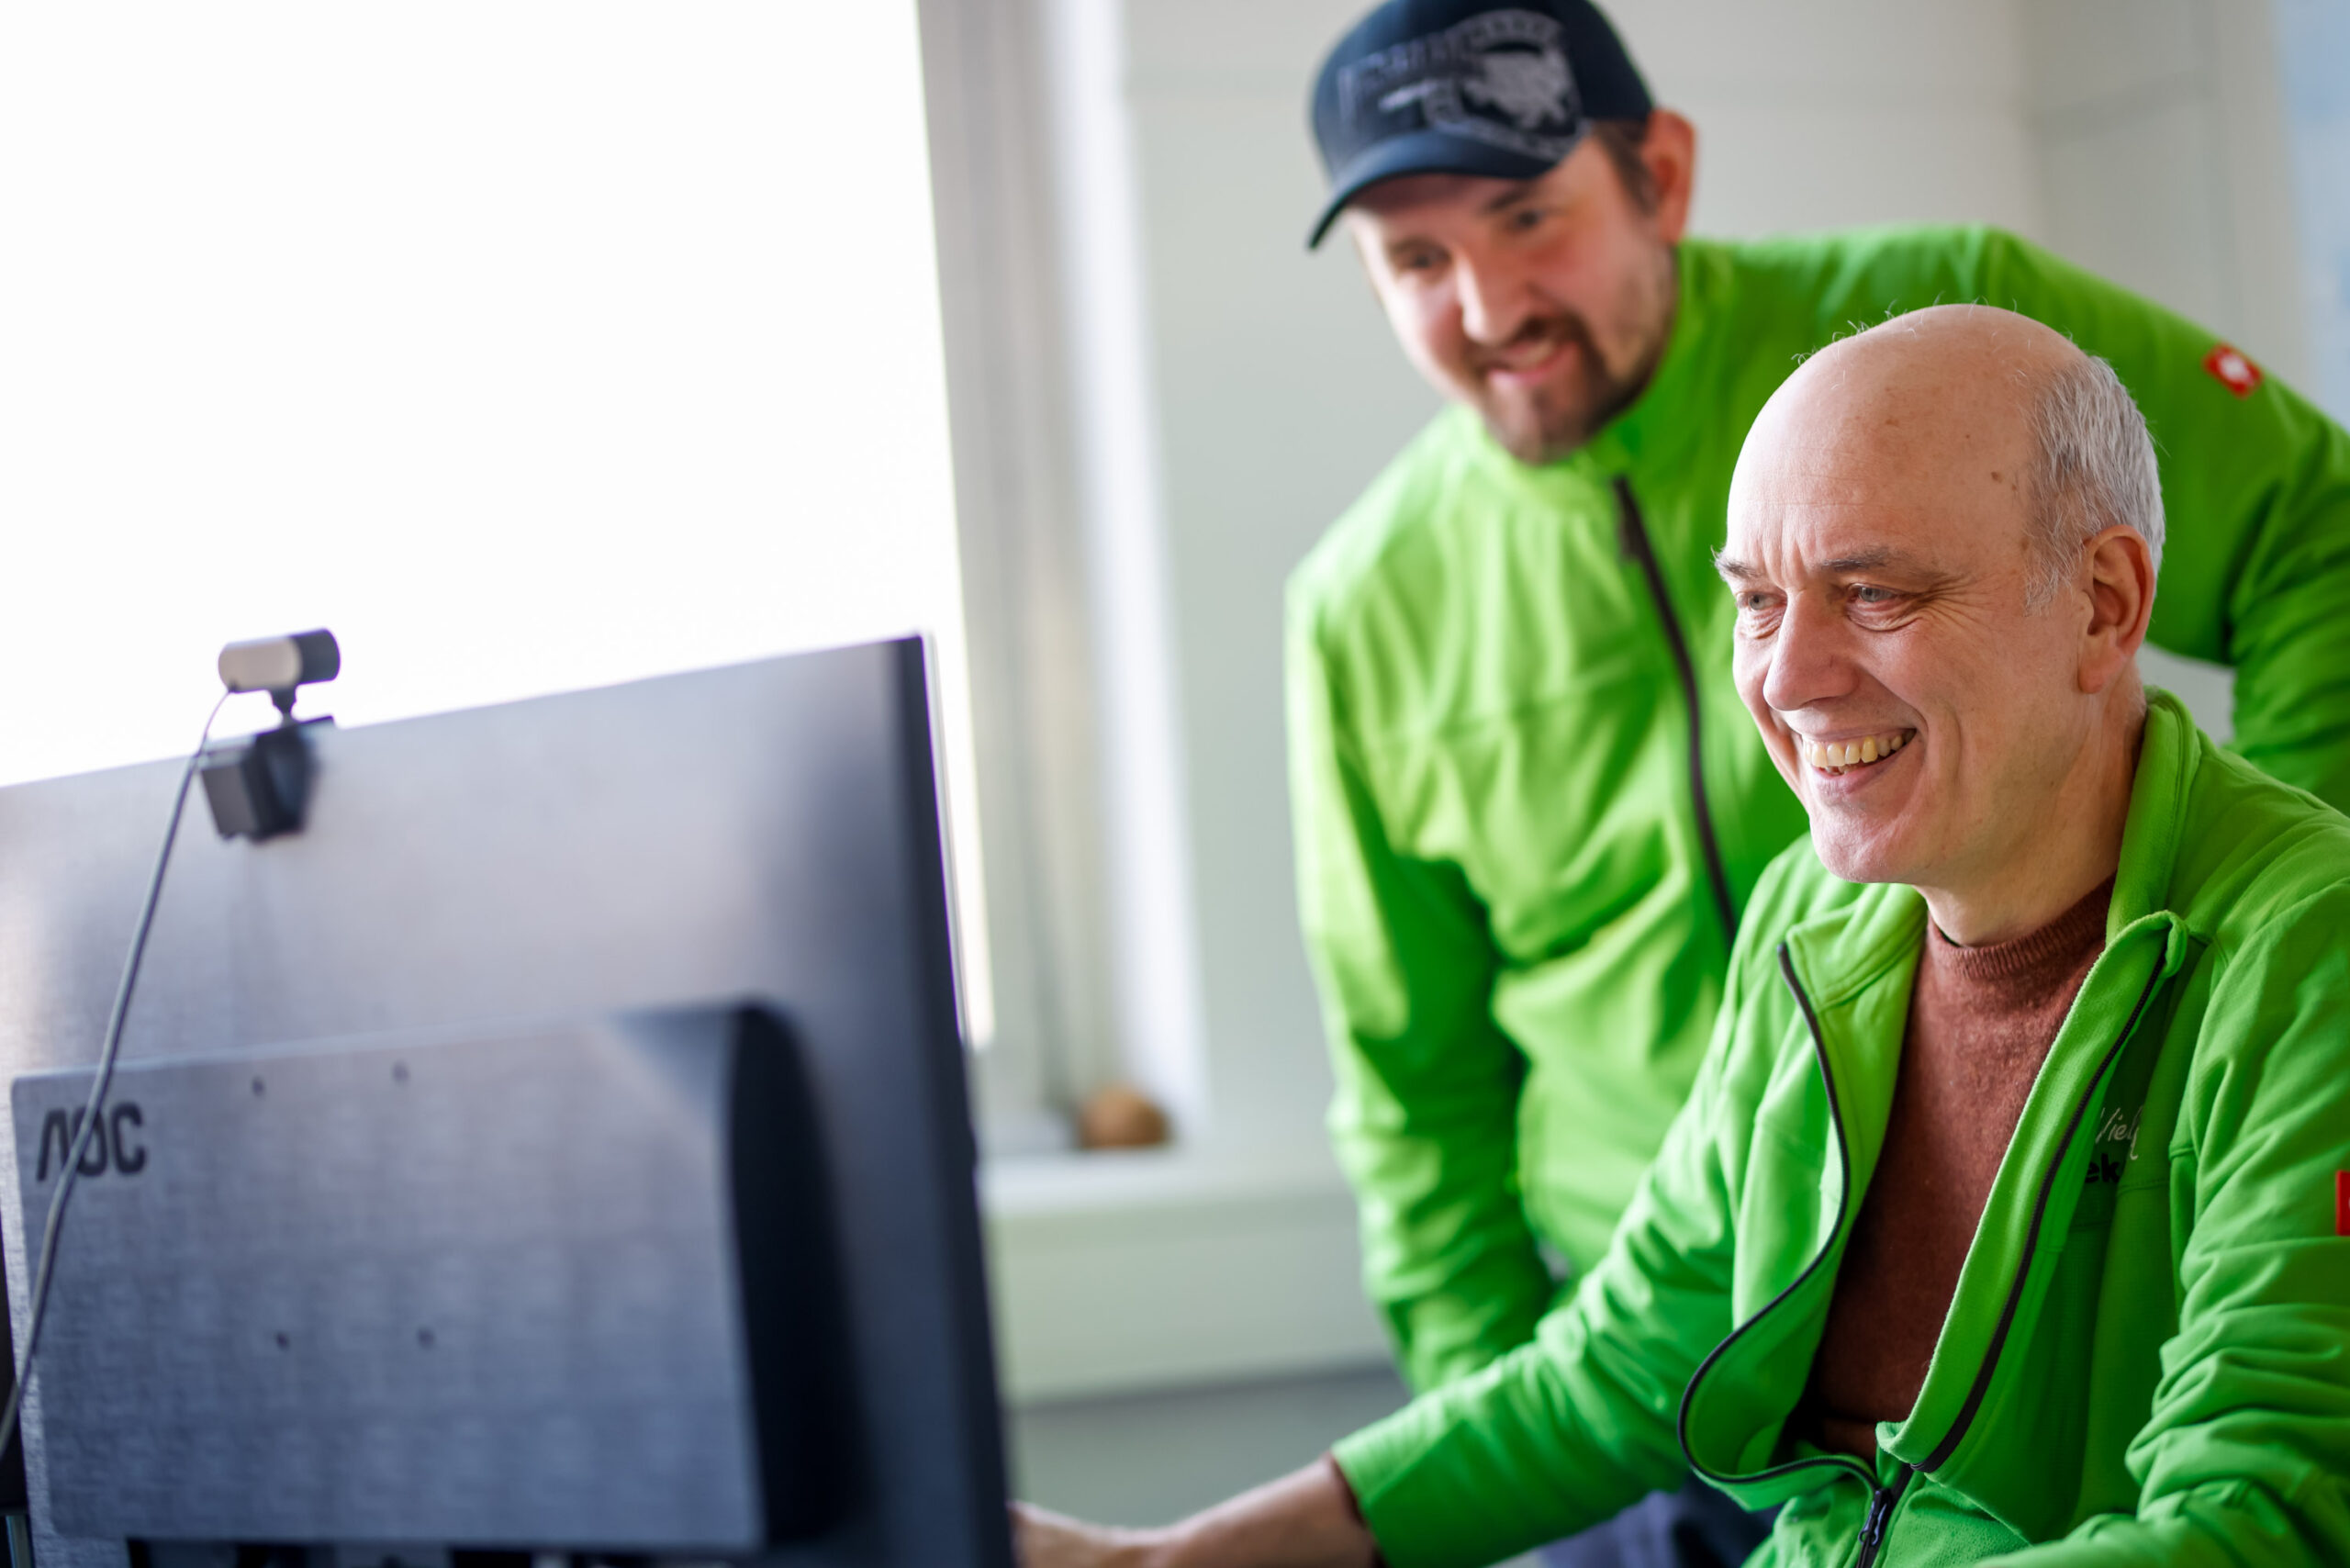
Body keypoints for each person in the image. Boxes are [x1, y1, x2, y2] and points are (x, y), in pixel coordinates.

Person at [1019, 304, 2350, 1568]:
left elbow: (2256, 1525)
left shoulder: (2309, 952)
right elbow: (1619, 1367)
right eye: (1757, 602)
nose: (1786, 678)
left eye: (1872, 592)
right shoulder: (1813, 919)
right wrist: (1167, 1557)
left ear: (2106, 604)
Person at [1282, 0, 2350, 1557]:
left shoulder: (1955, 327)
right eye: (1417, 259)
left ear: (1659, 174)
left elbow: (2314, 533)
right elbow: (1415, 1090)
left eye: (1528, 218)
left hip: (2048, 1361)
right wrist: (1498, 1489)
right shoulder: (1360, 606)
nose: (1490, 304)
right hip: (1655, 1371)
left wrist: (2220, 925)